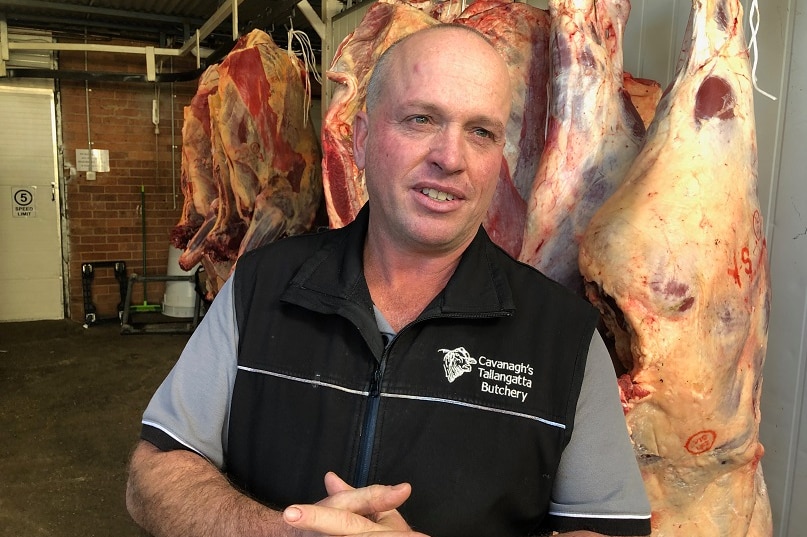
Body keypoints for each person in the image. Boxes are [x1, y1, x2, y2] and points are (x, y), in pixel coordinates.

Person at [125, 24, 651, 537]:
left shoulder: (563, 337)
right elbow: (154, 474)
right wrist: (280, 532)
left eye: (481, 132)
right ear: (361, 140)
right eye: (421, 119)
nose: (451, 158)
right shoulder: (260, 287)